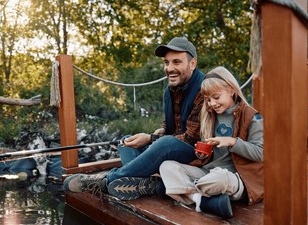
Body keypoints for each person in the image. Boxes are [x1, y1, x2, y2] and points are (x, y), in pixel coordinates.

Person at [64, 37, 205, 200]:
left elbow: (190, 138)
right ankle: (152, 184)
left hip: (196, 154)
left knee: (165, 143)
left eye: (176, 62)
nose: (170, 68)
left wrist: (151, 139)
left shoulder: (204, 89)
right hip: (172, 148)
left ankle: (105, 180)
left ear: (192, 64)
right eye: (166, 63)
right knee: (126, 142)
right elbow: (172, 122)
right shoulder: (171, 89)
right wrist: (162, 129)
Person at [158, 66, 264, 219]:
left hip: (236, 177)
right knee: (167, 166)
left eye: (216, 97)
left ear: (232, 90)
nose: (212, 104)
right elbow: (206, 155)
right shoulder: (209, 116)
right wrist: (201, 155)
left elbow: (260, 153)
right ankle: (200, 200)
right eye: (208, 100)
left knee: (219, 179)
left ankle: (179, 189)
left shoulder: (252, 117)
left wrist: (232, 142)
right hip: (208, 173)